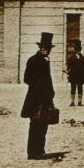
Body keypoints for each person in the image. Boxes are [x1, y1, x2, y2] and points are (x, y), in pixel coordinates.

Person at [20, 32, 57, 160]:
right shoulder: (33, 60)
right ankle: (32, 152)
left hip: (45, 98)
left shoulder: (46, 61)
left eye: (48, 49)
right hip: (36, 99)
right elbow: (27, 78)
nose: (46, 51)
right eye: (44, 48)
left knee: (43, 125)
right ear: (40, 48)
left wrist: (50, 94)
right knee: (35, 125)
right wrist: (40, 88)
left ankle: (40, 150)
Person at [66, 39, 84, 106]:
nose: (77, 51)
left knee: (80, 88)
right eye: (76, 49)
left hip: (80, 75)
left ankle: (79, 101)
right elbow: (68, 66)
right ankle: (72, 101)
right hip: (73, 75)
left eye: (78, 49)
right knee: (73, 88)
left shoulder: (83, 57)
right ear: (74, 50)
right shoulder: (71, 57)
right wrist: (68, 72)